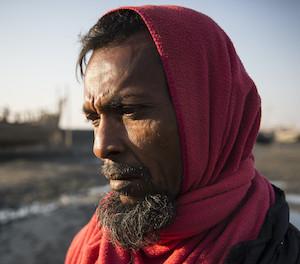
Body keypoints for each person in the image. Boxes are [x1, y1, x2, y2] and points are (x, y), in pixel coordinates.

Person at [65, 5, 300, 264]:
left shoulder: (281, 254)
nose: (100, 147)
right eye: (94, 118)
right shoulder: (89, 246)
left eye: (129, 111)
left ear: (209, 113)